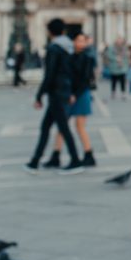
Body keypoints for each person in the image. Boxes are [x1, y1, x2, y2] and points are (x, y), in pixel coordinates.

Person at [24, 19, 83, 175]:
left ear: (50, 32)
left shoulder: (54, 49)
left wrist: (39, 96)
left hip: (56, 93)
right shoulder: (69, 47)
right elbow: (72, 72)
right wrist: (71, 91)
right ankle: (35, 161)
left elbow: (49, 74)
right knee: (46, 127)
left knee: (63, 128)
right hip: (63, 90)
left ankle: (75, 160)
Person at [43, 32, 97, 169]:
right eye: (77, 40)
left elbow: (86, 80)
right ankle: (56, 155)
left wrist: (74, 95)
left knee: (80, 127)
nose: (80, 43)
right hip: (68, 95)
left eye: (83, 41)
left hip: (81, 94)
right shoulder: (69, 57)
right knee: (63, 126)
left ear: (86, 43)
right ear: (73, 42)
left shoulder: (88, 58)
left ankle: (88, 154)